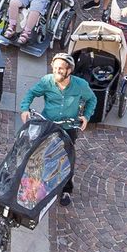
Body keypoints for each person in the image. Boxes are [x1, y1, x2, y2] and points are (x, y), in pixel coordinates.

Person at [19, 53, 96, 206]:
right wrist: (24, 108)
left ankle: (67, 189)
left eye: (60, 69)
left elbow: (92, 99)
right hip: (48, 124)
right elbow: (31, 93)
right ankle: (35, 187)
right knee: (39, 155)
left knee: (66, 159)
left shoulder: (80, 85)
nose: (56, 72)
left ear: (69, 70)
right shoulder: (47, 81)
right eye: (54, 68)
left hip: (68, 127)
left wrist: (86, 116)